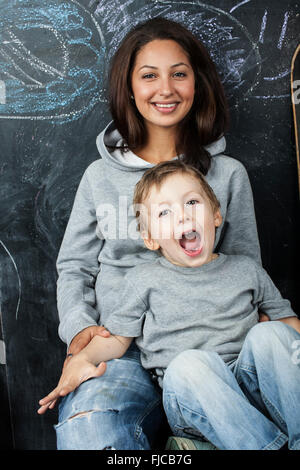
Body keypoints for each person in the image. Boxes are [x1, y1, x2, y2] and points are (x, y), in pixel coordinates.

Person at [41, 17, 266, 450]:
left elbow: (246, 266)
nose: (166, 89)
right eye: (149, 75)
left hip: (211, 346)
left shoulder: (228, 175)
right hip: (119, 346)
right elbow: (74, 266)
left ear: (196, 84)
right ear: (129, 87)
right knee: (90, 426)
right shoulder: (98, 178)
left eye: (179, 73)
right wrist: (79, 331)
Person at [38, 160, 300, 450]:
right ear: (150, 239)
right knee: (190, 364)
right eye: (164, 212)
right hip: (192, 398)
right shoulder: (143, 280)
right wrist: (82, 360)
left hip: (250, 385)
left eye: (191, 202)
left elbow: (287, 326)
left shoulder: (247, 271)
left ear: (216, 215)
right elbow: (116, 340)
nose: (183, 216)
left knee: (271, 334)